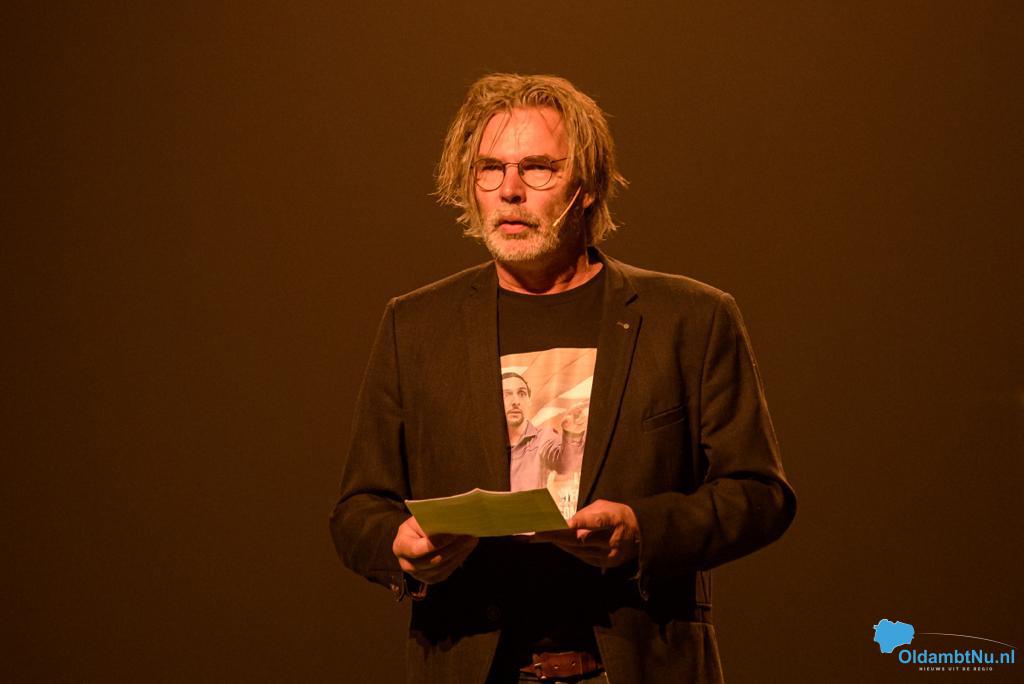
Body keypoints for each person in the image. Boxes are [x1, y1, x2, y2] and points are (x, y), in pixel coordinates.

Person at [330, 73, 796, 683]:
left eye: (538, 168)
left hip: (635, 666)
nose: (510, 190)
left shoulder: (690, 318)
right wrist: (401, 545)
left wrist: (643, 530)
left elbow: (760, 494)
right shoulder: (415, 325)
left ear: (587, 185)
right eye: (490, 169)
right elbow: (358, 509)